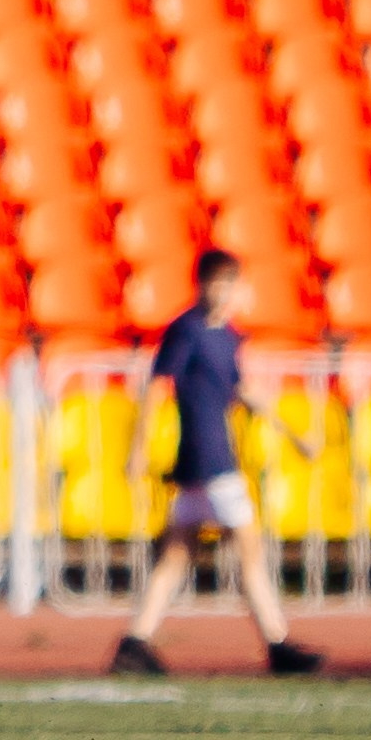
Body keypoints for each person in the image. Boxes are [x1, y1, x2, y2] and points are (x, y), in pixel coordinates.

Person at [112, 248, 325, 677]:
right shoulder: (186, 331)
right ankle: (277, 642)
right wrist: (138, 448)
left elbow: (244, 389)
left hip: (206, 460)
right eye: (219, 283)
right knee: (247, 549)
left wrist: (294, 433)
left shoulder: (226, 336)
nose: (226, 293)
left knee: (177, 554)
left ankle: (136, 641)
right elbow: (155, 388)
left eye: (232, 284)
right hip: (209, 458)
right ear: (202, 285)